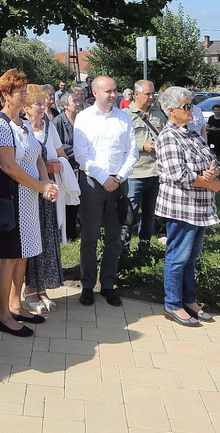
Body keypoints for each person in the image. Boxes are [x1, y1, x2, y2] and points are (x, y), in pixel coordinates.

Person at [0, 69, 58, 337]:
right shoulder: (0, 125)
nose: (26, 95)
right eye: (21, 91)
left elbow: (38, 156)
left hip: (29, 193)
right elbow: (8, 166)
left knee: (24, 252)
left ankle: (17, 305)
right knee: (9, 256)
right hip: (11, 194)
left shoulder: (24, 123)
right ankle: (3, 315)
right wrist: (40, 185)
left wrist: (46, 183)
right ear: (6, 95)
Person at [156, 86, 220, 328]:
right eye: (187, 106)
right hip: (181, 207)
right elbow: (178, 173)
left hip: (200, 208)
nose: (192, 109)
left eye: (192, 105)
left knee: (191, 257)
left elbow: (213, 159)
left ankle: (189, 300)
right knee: (178, 256)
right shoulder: (168, 136)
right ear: (171, 111)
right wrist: (209, 182)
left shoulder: (192, 133)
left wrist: (215, 172)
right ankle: (173, 304)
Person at [73, 75, 136, 307]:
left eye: (115, 90)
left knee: (113, 238)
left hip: (118, 185)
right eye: (108, 91)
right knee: (89, 238)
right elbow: (81, 155)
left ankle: (108, 285)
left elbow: (132, 152)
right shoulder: (84, 118)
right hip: (92, 185)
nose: (113, 94)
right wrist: (102, 177)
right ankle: (87, 285)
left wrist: (118, 178)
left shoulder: (124, 118)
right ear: (95, 93)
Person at [23, 85, 70, 314]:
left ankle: (43, 288)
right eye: (38, 103)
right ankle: (29, 288)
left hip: (49, 191)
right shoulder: (21, 129)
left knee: (46, 239)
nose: (44, 107)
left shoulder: (49, 126)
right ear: (26, 107)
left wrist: (57, 165)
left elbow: (60, 154)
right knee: (32, 240)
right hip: (30, 192)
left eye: (44, 103)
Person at [124, 80, 166, 248]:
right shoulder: (125, 115)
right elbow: (120, 144)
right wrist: (142, 146)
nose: (151, 97)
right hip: (136, 173)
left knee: (150, 213)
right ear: (136, 95)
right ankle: (124, 247)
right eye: (147, 94)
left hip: (155, 172)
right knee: (129, 213)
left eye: (153, 93)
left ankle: (144, 246)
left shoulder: (159, 114)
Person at [52, 90, 82, 240]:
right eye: (74, 101)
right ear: (65, 105)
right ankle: (64, 233)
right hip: (65, 167)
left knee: (76, 199)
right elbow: (56, 145)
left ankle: (73, 231)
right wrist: (77, 151)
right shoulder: (57, 122)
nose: (78, 103)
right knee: (65, 201)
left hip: (80, 167)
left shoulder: (82, 120)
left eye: (78, 100)